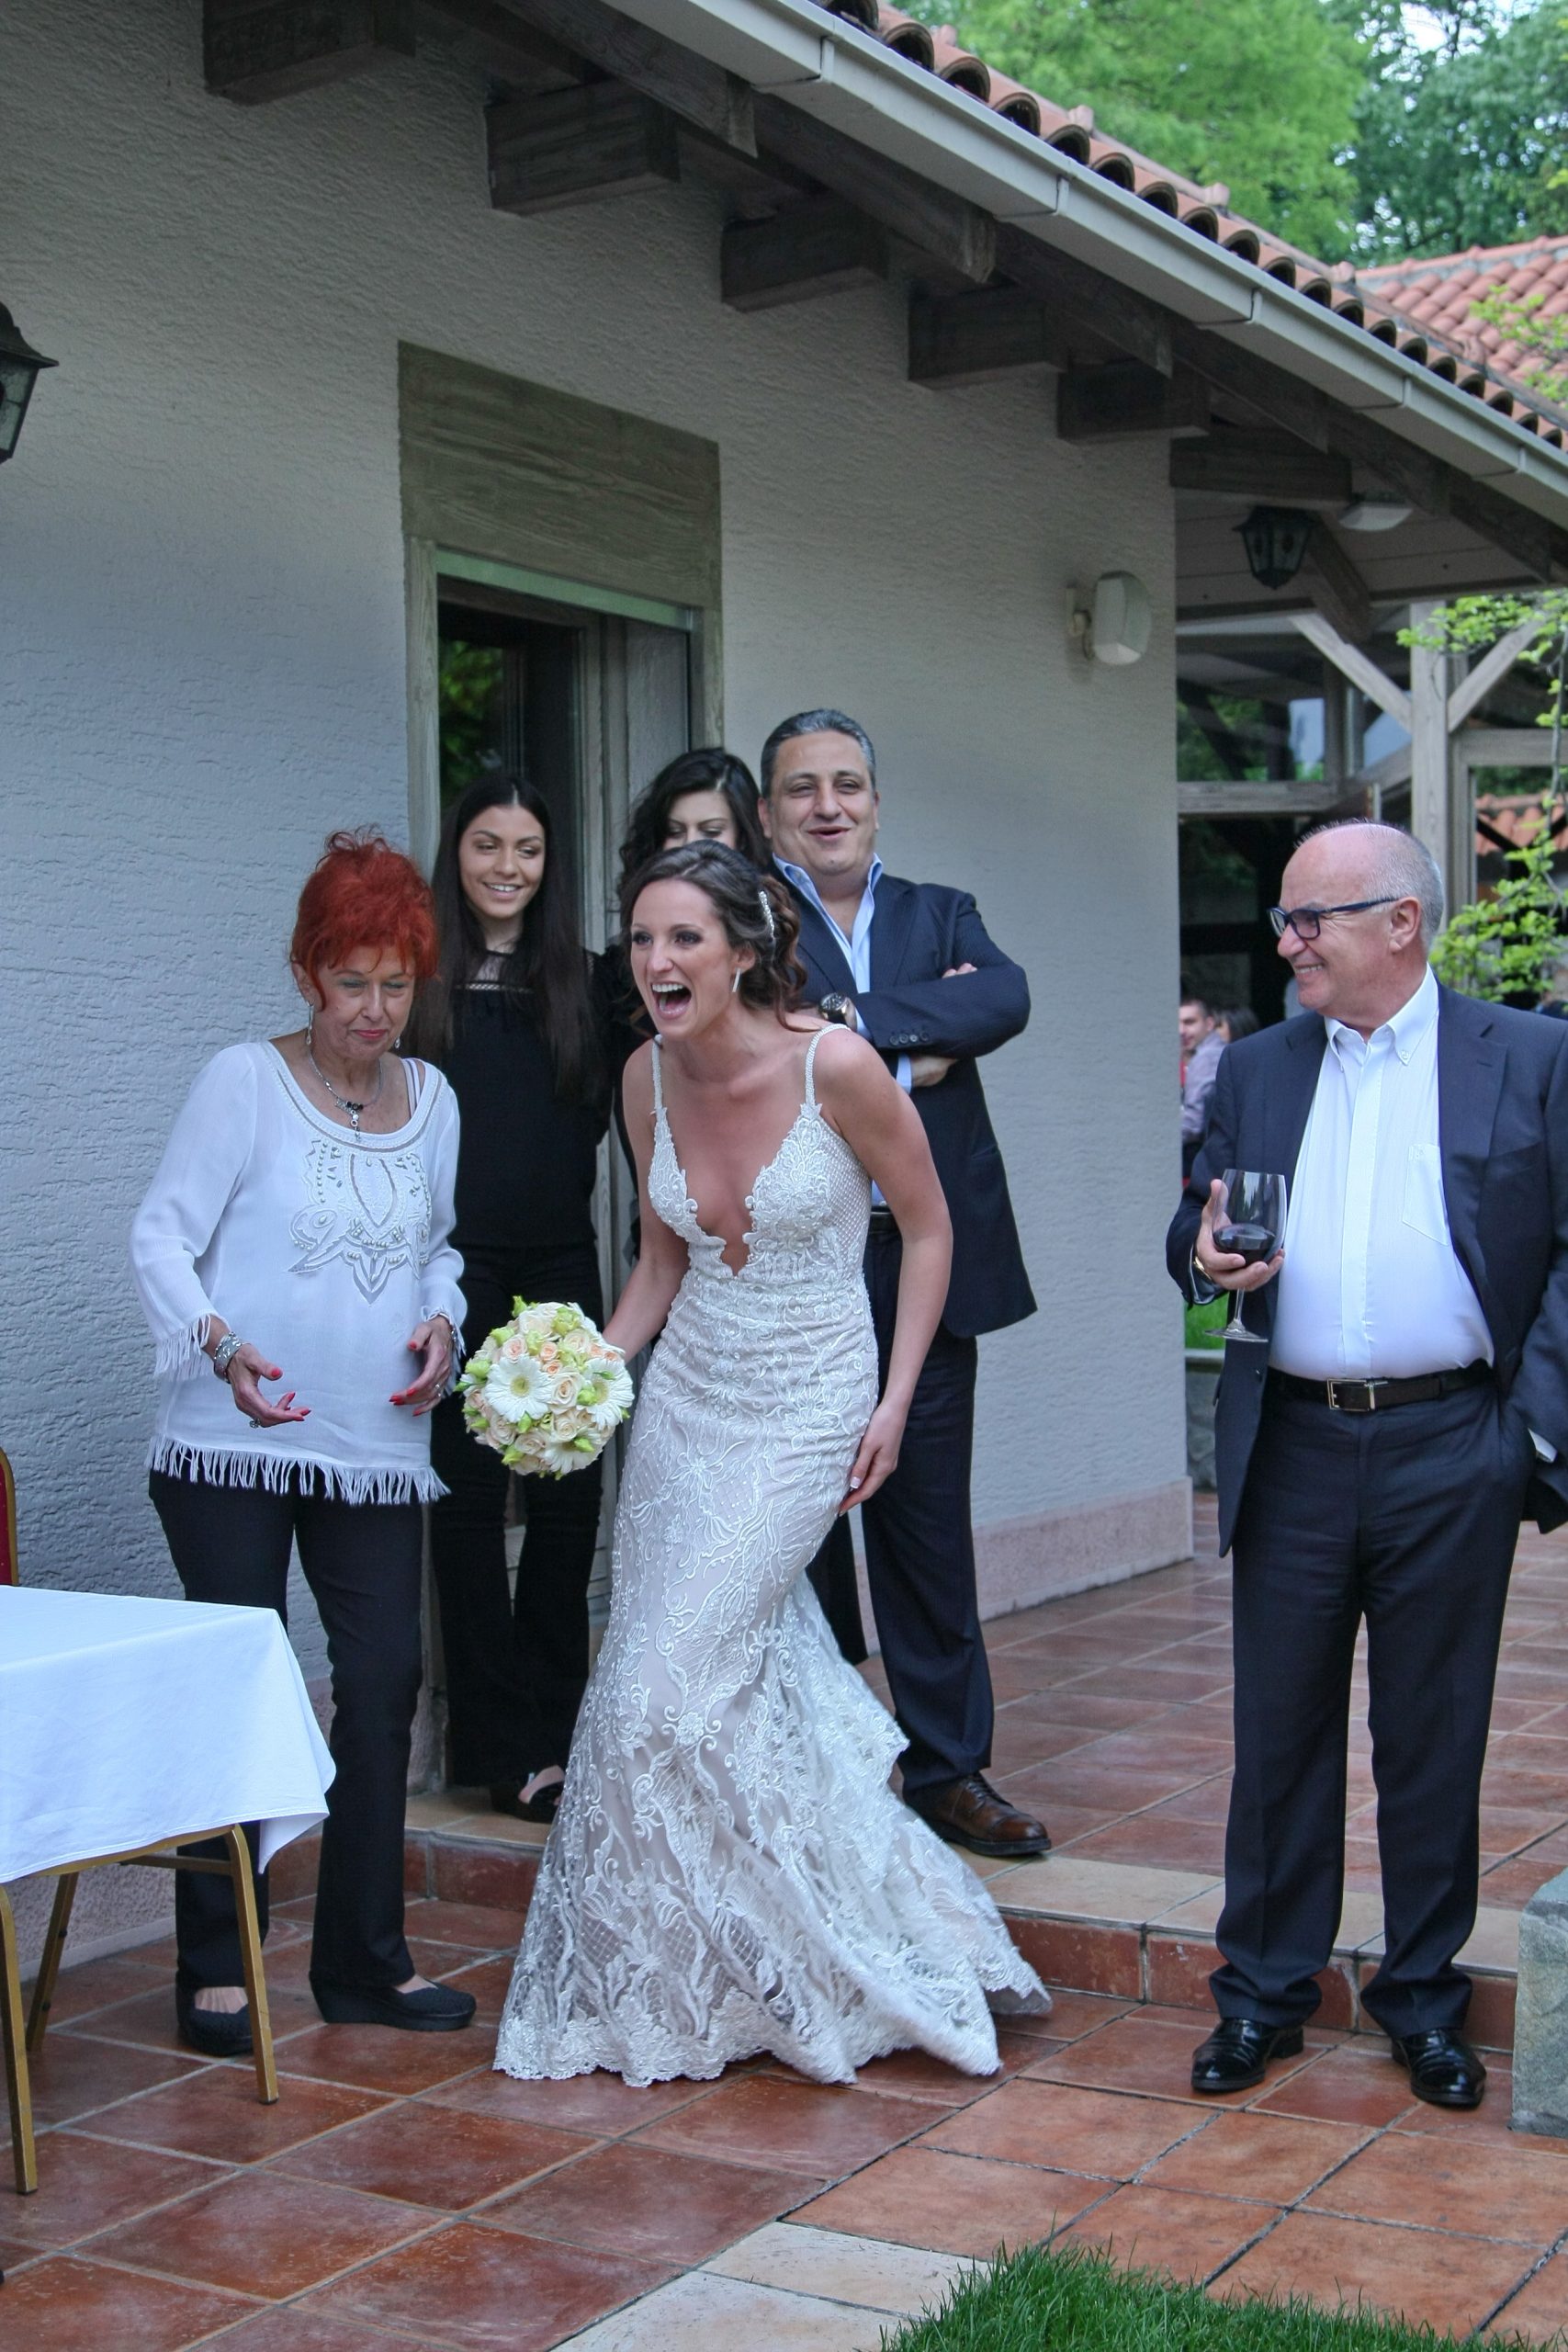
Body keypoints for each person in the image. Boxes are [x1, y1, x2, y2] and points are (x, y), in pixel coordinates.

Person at [495, 842, 1046, 2083]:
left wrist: (894, 1401)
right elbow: (660, 1262)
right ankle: (713, 1973)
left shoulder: (834, 1064)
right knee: (694, 1687)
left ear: (744, 951)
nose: (655, 961)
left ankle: (836, 1949)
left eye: (683, 937)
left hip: (808, 1400)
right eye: (642, 939)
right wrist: (583, 1376)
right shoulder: (641, 1075)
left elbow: (929, 1228)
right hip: (687, 1402)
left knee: (656, 1694)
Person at [1167, 820, 1568, 2110]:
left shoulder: (1528, 1056)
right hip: (1289, 1442)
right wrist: (1199, 1255)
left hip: (1452, 1446)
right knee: (1276, 1734)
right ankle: (1262, 1996)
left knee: (1431, 1737)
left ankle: (1421, 2000)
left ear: (1400, 922)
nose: (1285, 943)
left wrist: (1527, 1433)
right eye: (1284, 919)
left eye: (1308, 919)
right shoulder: (1257, 1066)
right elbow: (1194, 1214)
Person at [131, 831, 475, 2052]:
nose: (373, 1010)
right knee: (238, 1683)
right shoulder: (243, 1081)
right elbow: (162, 1235)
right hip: (229, 1443)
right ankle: (217, 1963)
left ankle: (363, 1963)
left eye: (395, 985)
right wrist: (221, 1346)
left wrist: (443, 1319)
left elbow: (437, 1247)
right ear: (305, 974)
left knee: (383, 1682)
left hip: (374, 1442)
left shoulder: (434, 1102)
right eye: (350, 983)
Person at [760, 710, 1046, 1864]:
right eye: (803, 788)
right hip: (809, 1269)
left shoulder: (941, 910)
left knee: (927, 1524)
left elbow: (1005, 999)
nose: (829, 806)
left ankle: (948, 1767)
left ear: (877, 802)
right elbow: (768, 1035)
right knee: (809, 1523)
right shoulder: (753, 917)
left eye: (849, 784)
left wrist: (853, 1025)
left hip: (929, 1262)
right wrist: (922, 1049)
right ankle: (829, 1762)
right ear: (770, 811)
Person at [405, 775, 611, 1826]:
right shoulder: (420, 980)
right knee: (468, 1503)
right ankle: (496, 1743)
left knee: (569, 1497)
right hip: (456, 1267)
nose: (507, 867)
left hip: (562, 1261)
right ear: (459, 852)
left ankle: (556, 1727)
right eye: (489, 844)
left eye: (527, 849)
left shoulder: (591, 981)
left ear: (548, 864)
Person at [1179, 994, 1225, 1178]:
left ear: (1209, 1023)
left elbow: (1193, 1123)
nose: (1181, 1030)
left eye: (1190, 1022)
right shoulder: (1218, 1051)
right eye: (1177, 1023)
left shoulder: (1206, 1057)